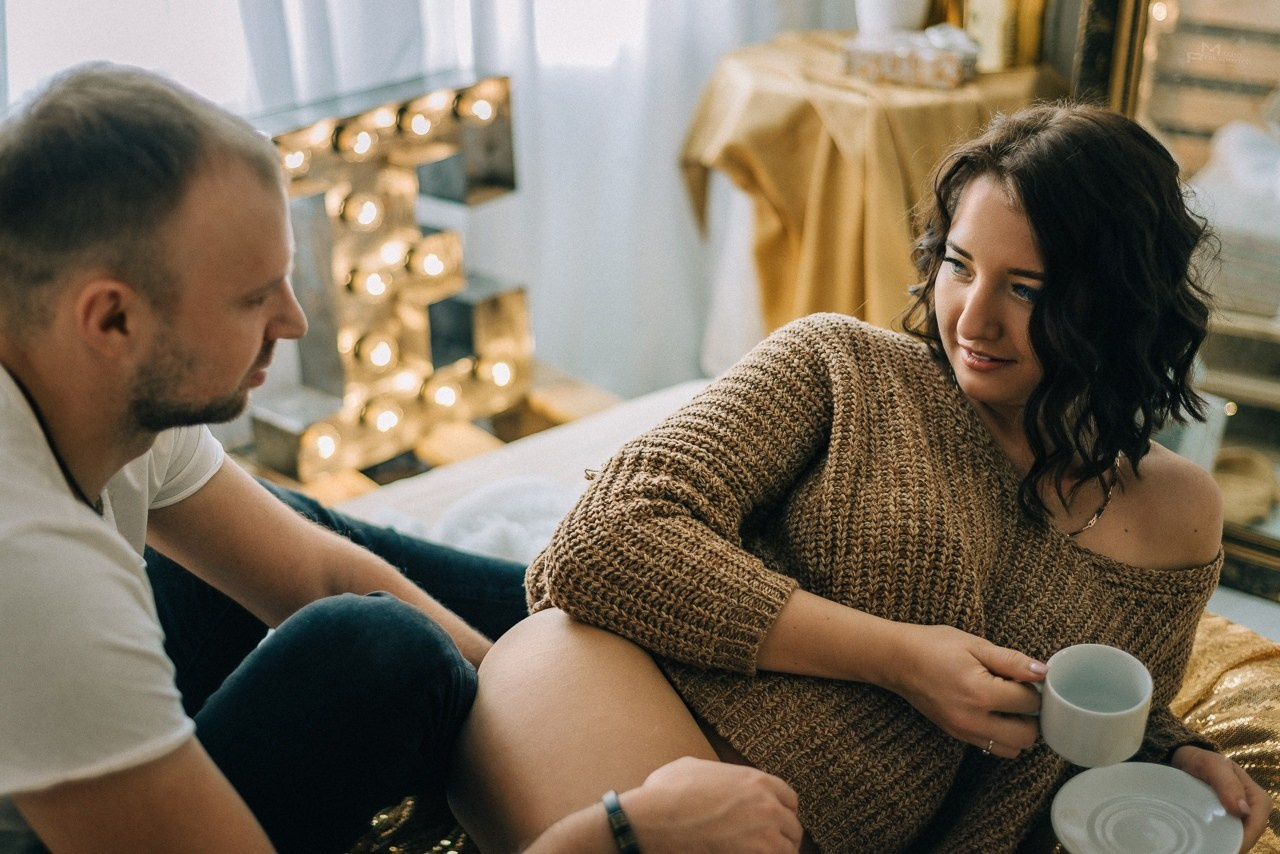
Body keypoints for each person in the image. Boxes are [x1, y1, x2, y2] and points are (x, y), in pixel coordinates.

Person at [0, 63, 794, 854]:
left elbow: (314, 572)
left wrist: (524, 687)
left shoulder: (93, 377)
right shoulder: (34, 573)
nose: (295, 321)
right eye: (254, 298)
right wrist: (624, 832)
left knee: (300, 550)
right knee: (381, 648)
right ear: (111, 319)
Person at [447, 103, 1273, 852]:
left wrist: (1178, 754)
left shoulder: (1178, 514)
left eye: (1026, 290)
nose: (973, 318)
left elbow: (1104, 709)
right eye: (959, 265)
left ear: (1123, 303)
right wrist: (899, 659)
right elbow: (600, 541)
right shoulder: (842, 366)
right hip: (613, 712)